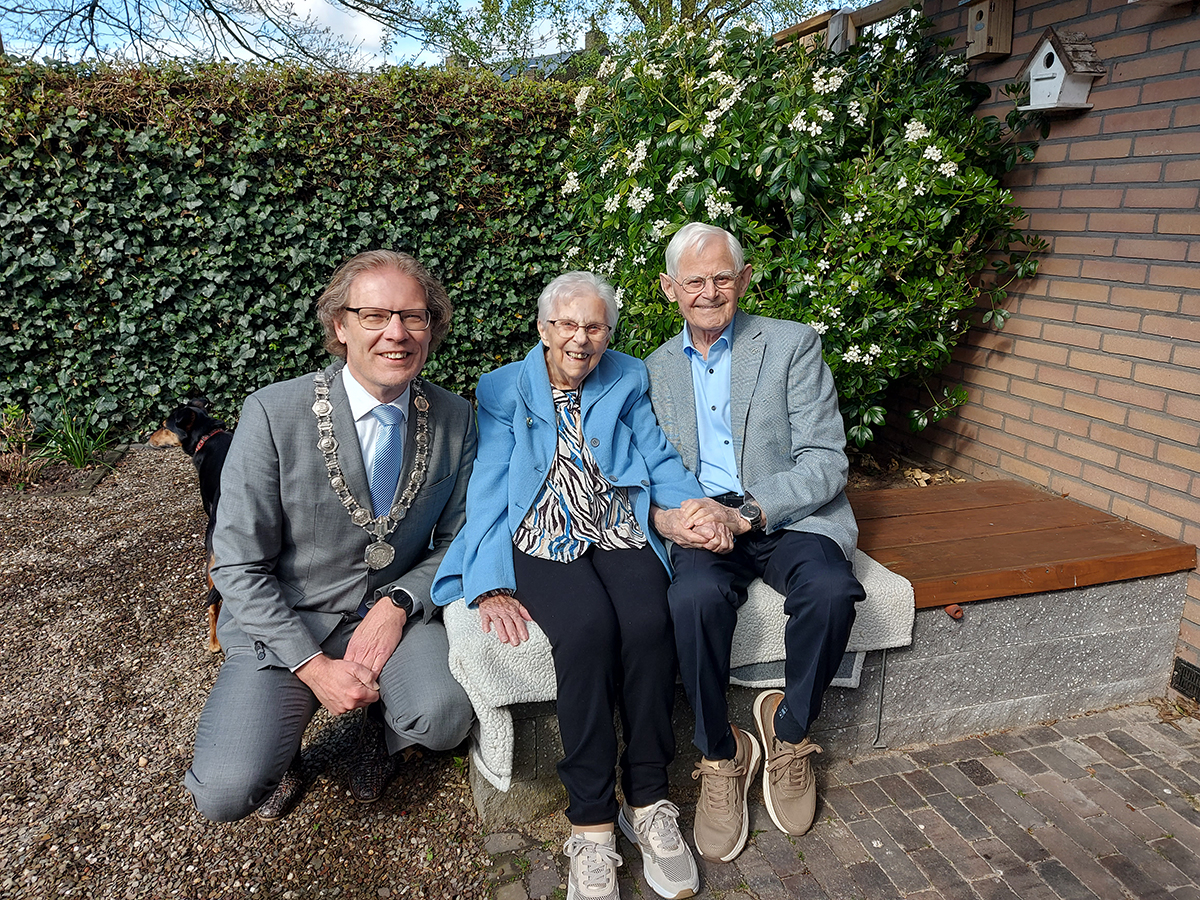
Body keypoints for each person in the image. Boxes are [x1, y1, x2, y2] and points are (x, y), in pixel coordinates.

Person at [433, 272, 724, 900]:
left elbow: (656, 458)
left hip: (617, 526)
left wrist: (695, 511)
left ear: (608, 333)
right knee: (586, 629)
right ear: (543, 328)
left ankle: (648, 799)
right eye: (567, 324)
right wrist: (486, 582)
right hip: (540, 533)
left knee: (651, 623)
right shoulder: (504, 388)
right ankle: (591, 824)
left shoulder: (626, 375)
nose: (580, 338)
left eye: (594, 326)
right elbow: (486, 488)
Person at [184, 250, 476, 822]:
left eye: (414, 317)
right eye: (374, 316)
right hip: (292, 618)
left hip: (391, 616)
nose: (396, 334)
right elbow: (237, 566)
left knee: (442, 717)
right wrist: (314, 668)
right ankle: (284, 745)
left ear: (431, 328)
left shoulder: (455, 417)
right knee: (224, 792)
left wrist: (399, 603)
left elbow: (458, 537)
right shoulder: (273, 414)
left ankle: (382, 729)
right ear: (339, 326)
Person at [645, 223, 866, 863]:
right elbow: (646, 467)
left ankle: (790, 733)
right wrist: (678, 519)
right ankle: (720, 754)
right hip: (703, 527)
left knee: (830, 590)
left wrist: (747, 512)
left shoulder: (792, 345)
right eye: (695, 281)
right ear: (669, 290)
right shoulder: (653, 371)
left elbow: (826, 461)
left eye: (723, 277)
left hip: (784, 518)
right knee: (691, 603)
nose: (710, 291)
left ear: (743, 281)